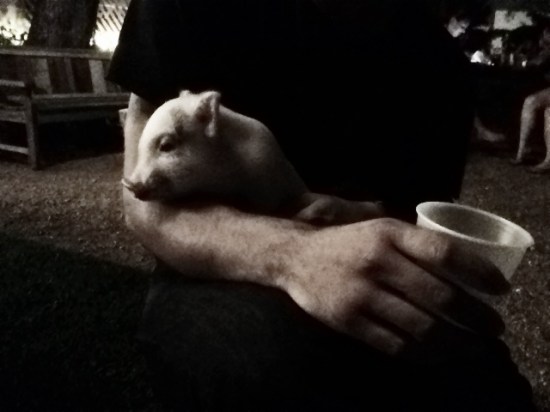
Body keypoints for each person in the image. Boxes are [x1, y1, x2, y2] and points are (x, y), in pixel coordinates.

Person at [108, 0, 536, 410]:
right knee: (267, 365)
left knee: (488, 389)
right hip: (213, 257)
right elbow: (145, 206)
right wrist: (296, 255)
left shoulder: (440, 65)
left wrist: (367, 213)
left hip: (372, 255)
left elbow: (416, 210)